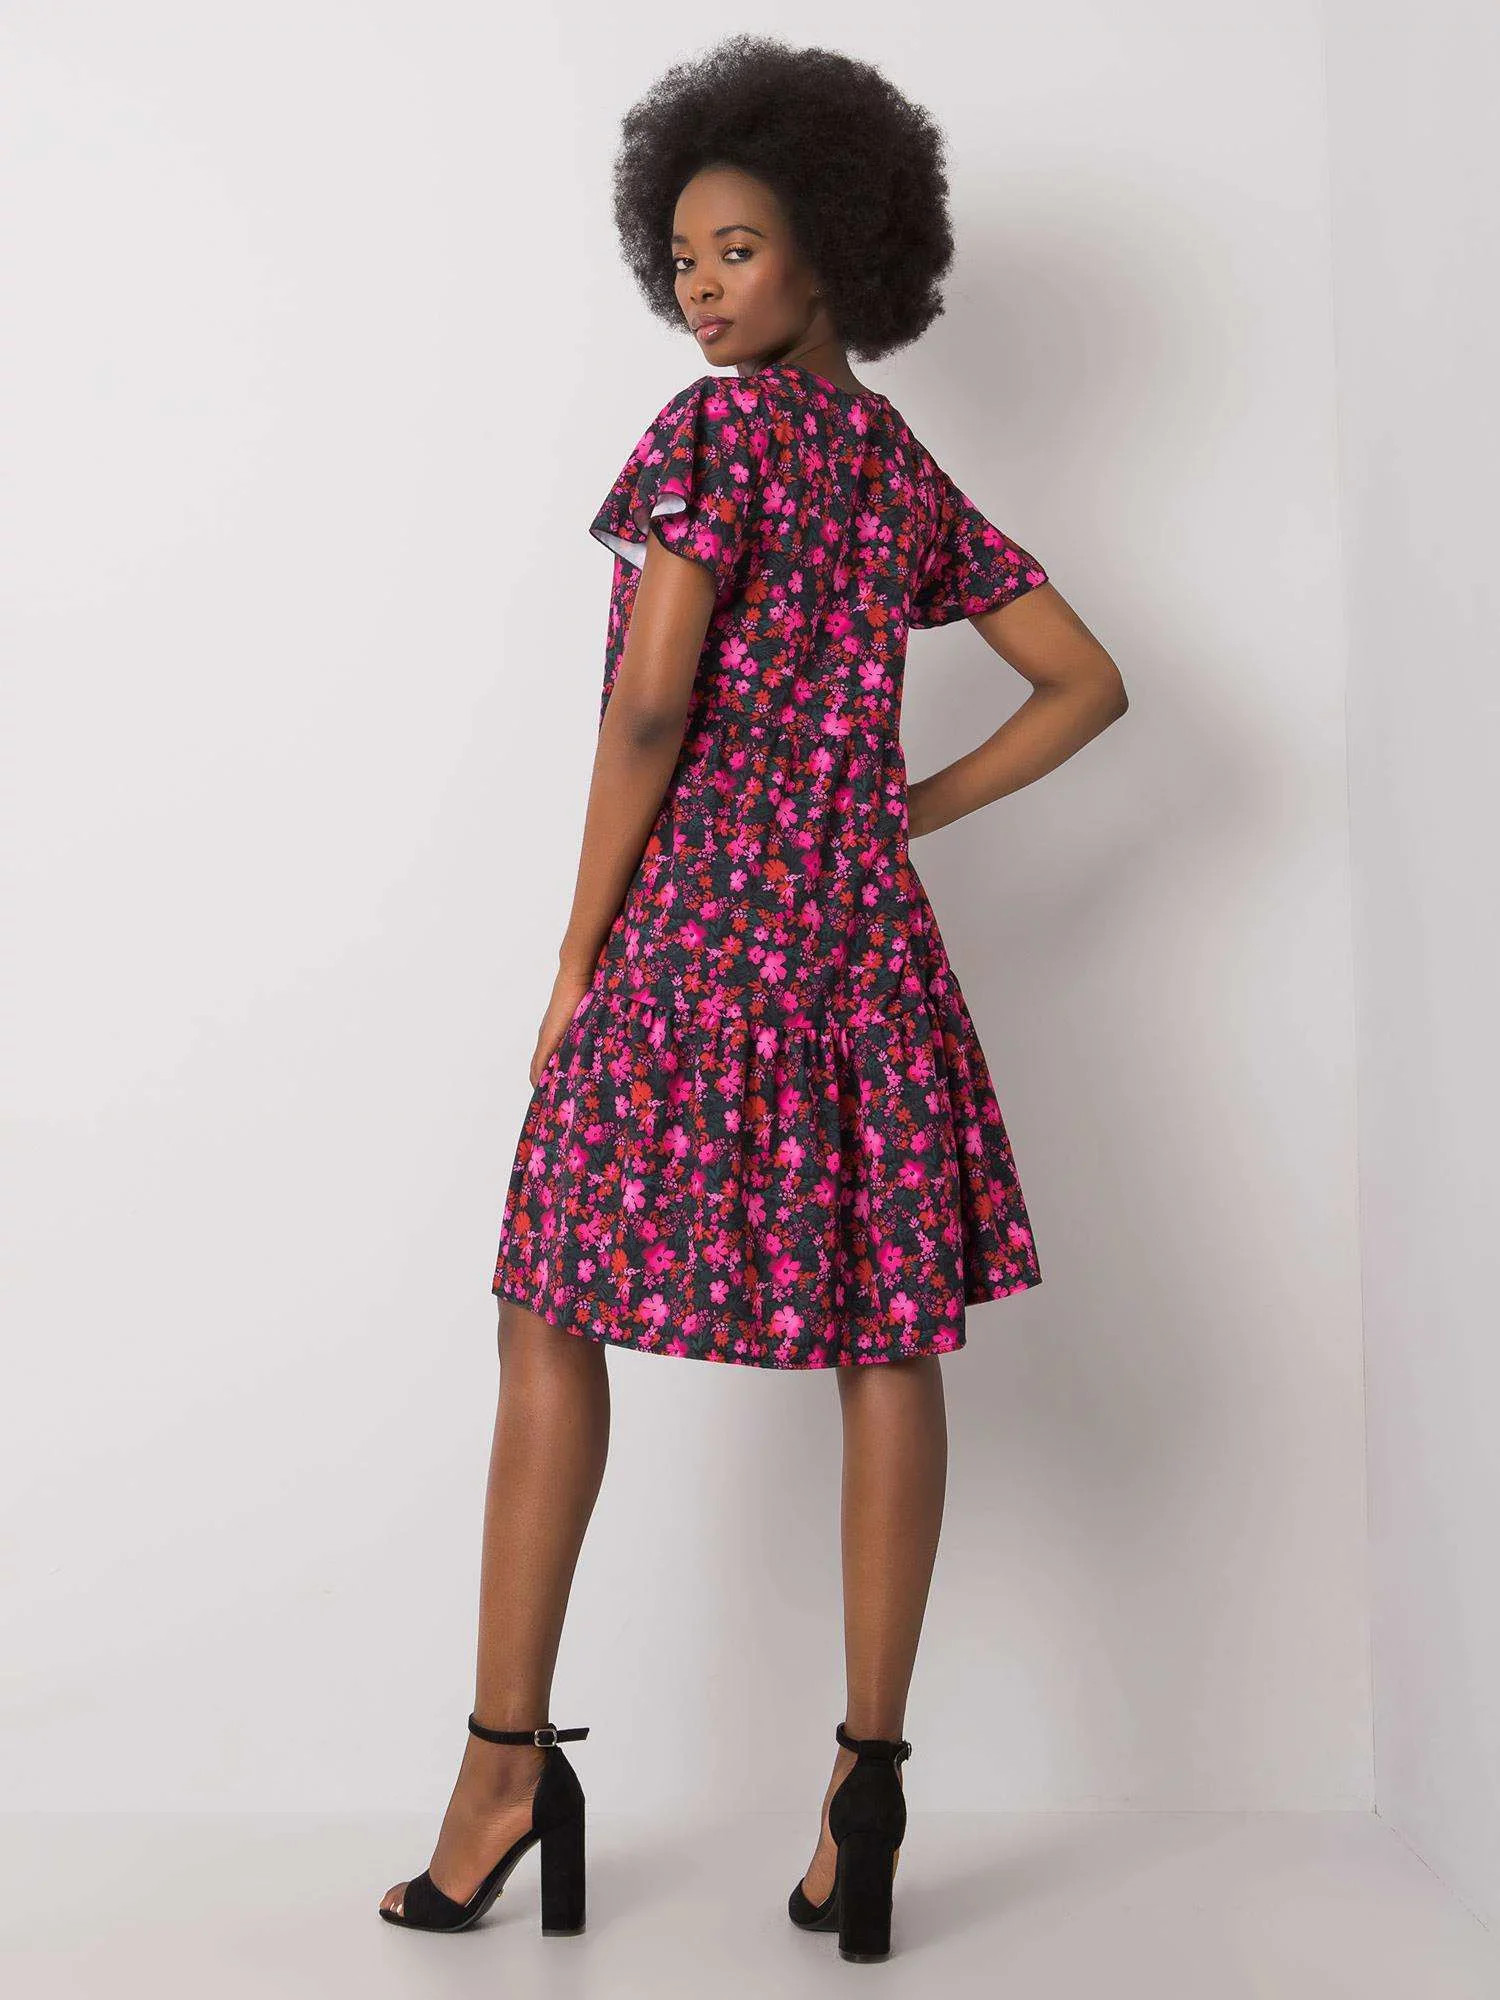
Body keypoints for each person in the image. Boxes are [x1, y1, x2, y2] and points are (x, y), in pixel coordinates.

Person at [379, 33, 1127, 1961]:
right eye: (683, 257)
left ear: (833, 251)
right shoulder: (897, 469)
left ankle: (501, 1774)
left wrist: (576, 957)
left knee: (547, 1304)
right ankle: (865, 1794)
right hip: (866, 955)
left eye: (735, 248)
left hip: (699, 940)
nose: (700, 288)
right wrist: (896, 809)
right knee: (890, 1335)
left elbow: (651, 707)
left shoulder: (712, 441)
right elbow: (1086, 681)